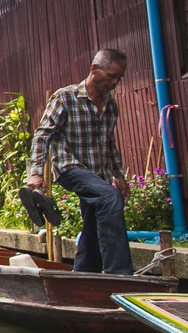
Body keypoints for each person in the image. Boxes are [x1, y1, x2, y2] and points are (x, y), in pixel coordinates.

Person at [26, 48, 134, 275]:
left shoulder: (110, 105)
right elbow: (42, 135)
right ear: (94, 69)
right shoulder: (65, 97)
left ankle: (84, 274)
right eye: (111, 76)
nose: (115, 82)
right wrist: (36, 172)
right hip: (70, 168)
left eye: (119, 78)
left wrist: (118, 175)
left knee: (94, 220)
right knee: (110, 198)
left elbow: (109, 142)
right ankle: (119, 274)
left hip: (97, 174)